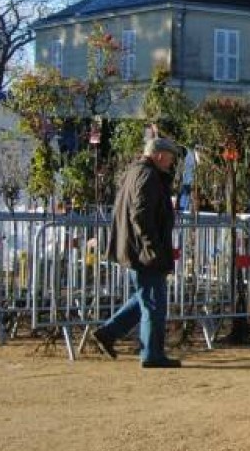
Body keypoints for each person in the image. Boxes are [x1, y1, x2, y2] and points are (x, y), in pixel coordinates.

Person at [90, 138, 181, 368]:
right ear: (159, 155)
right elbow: (140, 215)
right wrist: (152, 248)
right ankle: (152, 354)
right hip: (143, 251)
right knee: (153, 303)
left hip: (133, 249)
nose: (171, 163)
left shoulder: (136, 173)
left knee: (144, 297)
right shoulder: (148, 176)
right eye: (170, 158)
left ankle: (108, 333)